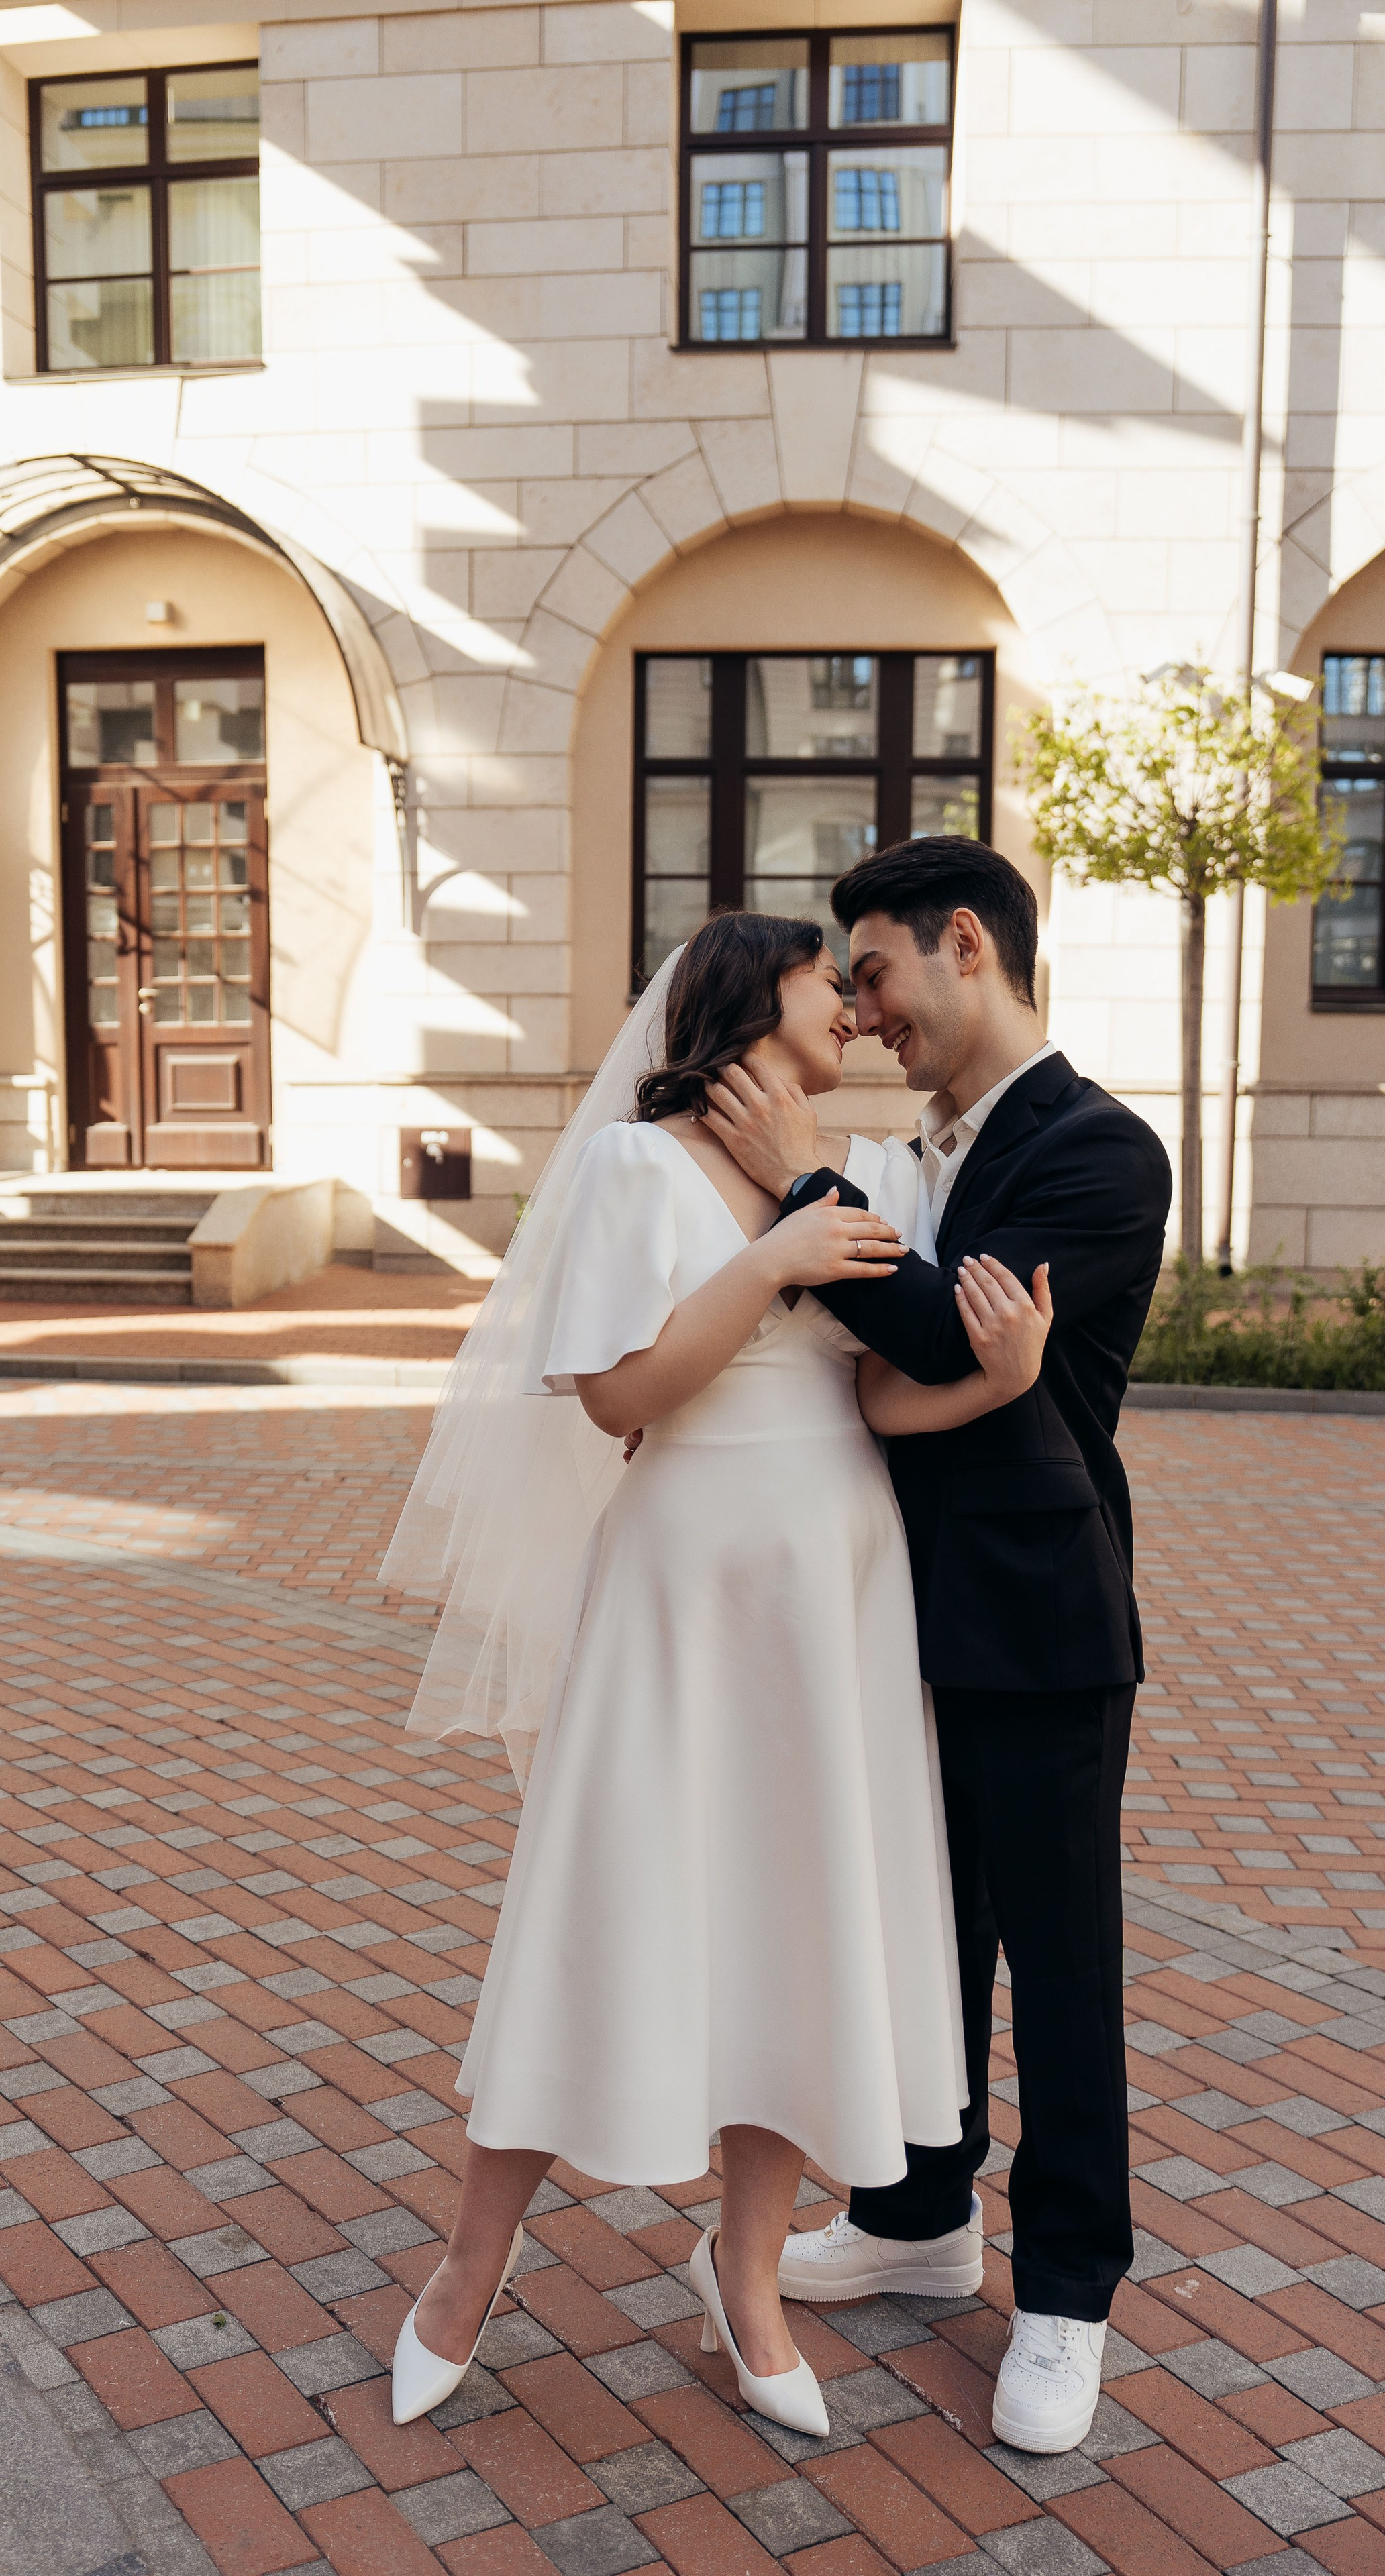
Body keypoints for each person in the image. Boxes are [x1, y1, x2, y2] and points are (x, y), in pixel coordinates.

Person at [380, 910, 1053, 2437]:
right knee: (597, 1910)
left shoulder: (869, 1174)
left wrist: (994, 1377)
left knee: (790, 1927)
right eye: (832, 981)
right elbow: (619, 1392)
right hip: (677, 1579)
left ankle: (744, 2281)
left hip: (833, 1586)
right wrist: (769, 1258)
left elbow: (882, 1392)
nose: (855, 1008)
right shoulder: (635, 1166)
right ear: (752, 999)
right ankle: (463, 2271)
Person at [705, 837, 1172, 2456]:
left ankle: (1063, 2292)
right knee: (920, 1929)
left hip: (1039, 1620)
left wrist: (792, 1188)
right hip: (895, 1604)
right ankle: (914, 2218)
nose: (858, 1009)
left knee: (1055, 1962)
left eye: (874, 972)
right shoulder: (928, 1146)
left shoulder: (1100, 1152)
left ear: (961, 943)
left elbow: (933, 1331)